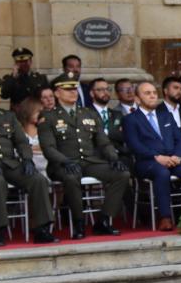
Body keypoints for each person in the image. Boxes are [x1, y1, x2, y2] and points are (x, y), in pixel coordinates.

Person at [38, 72, 131, 239]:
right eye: (67, 89)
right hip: (62, 164)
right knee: (72, 177)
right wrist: (65, 161)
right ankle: (79, 222)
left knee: (122, 174)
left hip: (89, 161)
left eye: (74, 88)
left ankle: (103, 220)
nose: (73, 92)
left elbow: (103, 142)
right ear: (57, 93)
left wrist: (113, 158)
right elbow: (48, 148)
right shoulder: (48, 116)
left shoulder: (88, 113)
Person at [0, 77, 57, 245]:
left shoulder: (8, 116)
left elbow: (21, 141)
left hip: (10, 163)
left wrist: (27, 159)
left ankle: (42, 228)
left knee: (38, 179)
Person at [124, 81, 181, 231]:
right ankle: (165, 217)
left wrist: (178, 155)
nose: (153, 96)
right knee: (162, 172)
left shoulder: (165, 115)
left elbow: (180, 138)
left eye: (154, 92)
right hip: (147, 162)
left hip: (173, 160)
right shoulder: (131, 119)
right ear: (137, 99)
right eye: (147, 93)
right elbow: (134, 145)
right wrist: (156, 157)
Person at [89, 78, 126, 154]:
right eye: (101, 90)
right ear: (92, 93)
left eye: (108, 89)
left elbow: (123, 137)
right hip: (97, 157)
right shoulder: (85, 114)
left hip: (119, 155)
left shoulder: (118, 114)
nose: (105, 92)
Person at [15, 98, 47, 175]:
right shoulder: (17, 132)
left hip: (45, 173)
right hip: (23, 174)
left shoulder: (46, 131)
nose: (41, 114)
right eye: (38, 111)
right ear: (27, 111)